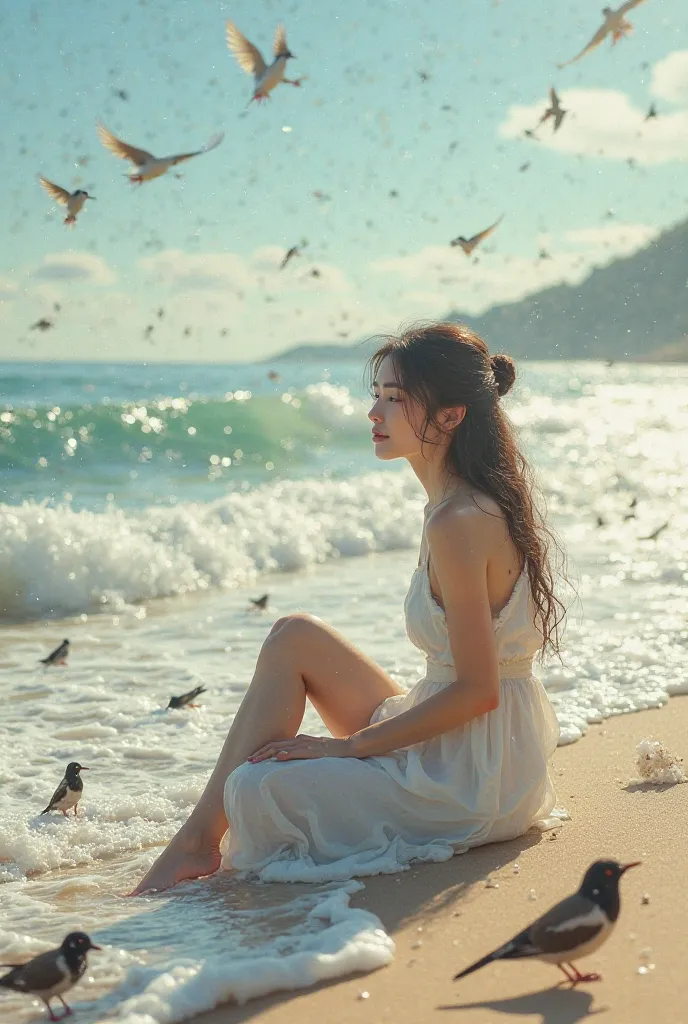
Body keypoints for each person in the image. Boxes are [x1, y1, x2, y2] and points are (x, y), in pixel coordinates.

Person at [131, 320, 566, 895]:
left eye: (395, 399)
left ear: (450, 416)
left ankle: (194, 844)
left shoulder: (457, 521)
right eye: (376, 395)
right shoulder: (462, 503)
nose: (374, 413)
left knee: (256, 790)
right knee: (294, 636)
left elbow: (478, 689)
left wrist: (348, 746)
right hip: (489, 750)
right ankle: (195, 842)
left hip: (471, 780)